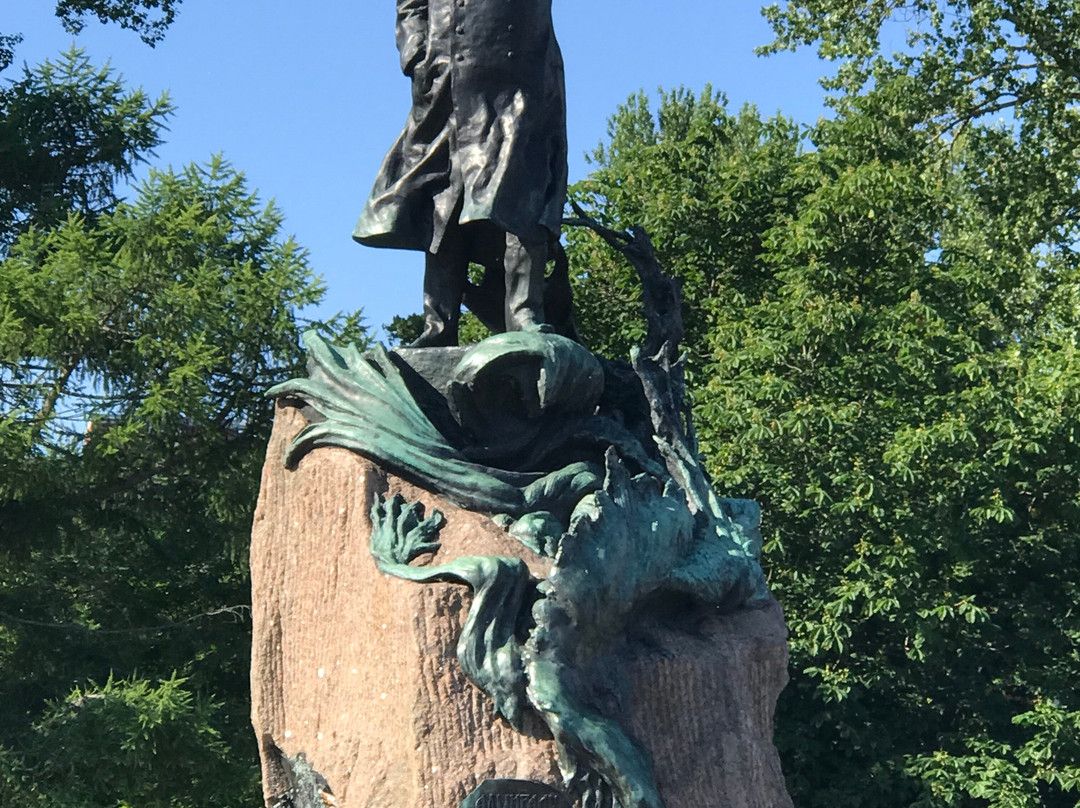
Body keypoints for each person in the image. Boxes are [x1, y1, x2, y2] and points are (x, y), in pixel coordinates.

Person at [354, 0, 568, 347]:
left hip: (521, 75)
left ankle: (524, 314)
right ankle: (438, 325)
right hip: (446, 79)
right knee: (443, 201)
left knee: (522, 194)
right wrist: (416, 55)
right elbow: (410, 5)